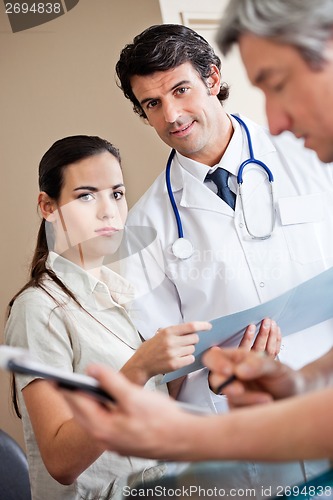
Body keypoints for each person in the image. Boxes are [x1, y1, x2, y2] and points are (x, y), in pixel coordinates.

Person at [58, 0, 333, 471]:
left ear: (212, 78)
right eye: (153, 104)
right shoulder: (143, 229)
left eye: (181, 90)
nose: (172, 116)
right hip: (244, 438)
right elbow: (167, 371)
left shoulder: (309, 150)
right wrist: (220, 379)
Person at [4, 135, 213, 500]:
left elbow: (153, 408)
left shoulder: (127, 298)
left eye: (117, 193)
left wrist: (207, 360)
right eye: (87, 195)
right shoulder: (37, 309)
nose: (109, 211)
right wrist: (139, 369)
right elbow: (61, 462)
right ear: (48, 206)